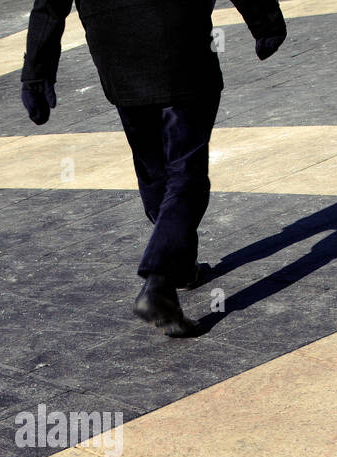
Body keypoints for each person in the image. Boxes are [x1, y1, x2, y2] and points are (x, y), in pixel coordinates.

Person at [21, 0, 286, 335]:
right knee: (185, 176)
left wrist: (37, 71)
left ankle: (181, 267)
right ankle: (159, 280)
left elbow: (50, 4)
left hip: (117, 53)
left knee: (154, 170)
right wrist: (266, 23)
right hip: (179, 42)